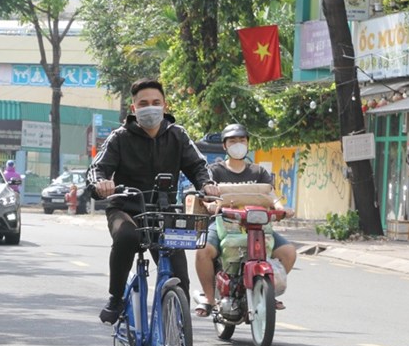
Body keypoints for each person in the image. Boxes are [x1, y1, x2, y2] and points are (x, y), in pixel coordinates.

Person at [88, 78, 219, 325]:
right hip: (126, 210)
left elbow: (198, 166)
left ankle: (176, 333)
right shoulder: (119, 137)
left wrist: (206, 184)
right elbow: (98, 169)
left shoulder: (178, 135)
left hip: (165, 212)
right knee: (127, 237)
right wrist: (101, 183)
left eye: (156, 102)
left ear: (165, 105)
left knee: (179, 274)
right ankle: (116, 298)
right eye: (143, 103)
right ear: (134, 108)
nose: (150, 107)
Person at [193, 123, 296, 317]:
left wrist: (282, 209)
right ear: (224, 146)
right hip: (223, 223)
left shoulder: (259, 172)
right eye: (232, 141)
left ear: (248, 143)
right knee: (203, 251)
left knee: (289, 252)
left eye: (242, 140)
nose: (238, 144)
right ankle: (209, 297)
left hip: (257, 225)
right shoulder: (214, 171)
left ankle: (266, 291)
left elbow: (271, 195)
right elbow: (206, 195)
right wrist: (211, 205)